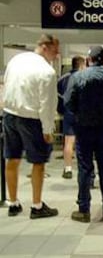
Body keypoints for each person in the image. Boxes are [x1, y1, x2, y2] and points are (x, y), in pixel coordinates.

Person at [3, 34, 60, 219]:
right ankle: (37, 206)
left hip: (10, 114)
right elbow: (47, 104)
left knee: (12, 159)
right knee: (38, 162)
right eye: (54, 49)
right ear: (44, 46)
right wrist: (48, 129)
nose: (57, 54)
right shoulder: (47, 71)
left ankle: (13, 202)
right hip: (33, 119)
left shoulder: (17, 59)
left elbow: (7, 84)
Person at [64, 46, 103, 223]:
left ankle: (84, 209)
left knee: (85, 168)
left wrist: (79, 113)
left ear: (89, 59)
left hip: (84, 127)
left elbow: (69, 102)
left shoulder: (79, 76)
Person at [57, 55, 86, 179]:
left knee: (68, 142)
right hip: (82, 113)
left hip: (68, 113)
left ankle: (68, 168)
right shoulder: (85, 78)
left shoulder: (63, 78)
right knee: (83, 143)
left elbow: (58, 95)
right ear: (81, 65)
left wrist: (61, 110)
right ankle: (83, 167)